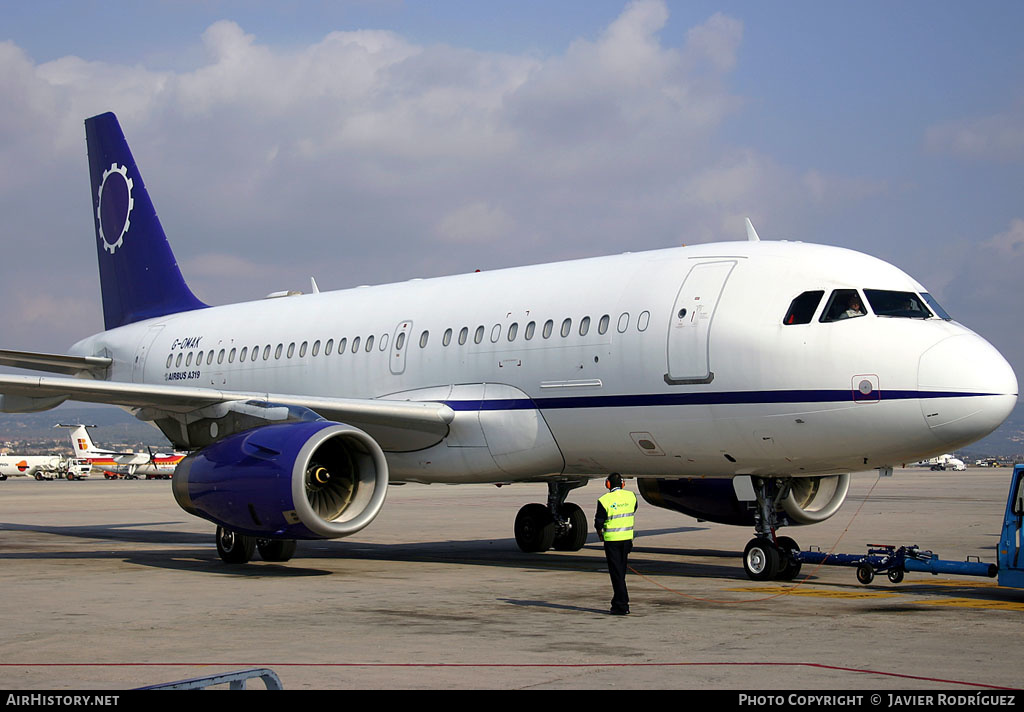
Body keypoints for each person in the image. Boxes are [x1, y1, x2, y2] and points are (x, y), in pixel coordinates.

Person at [594, 473, 637, 615]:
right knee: (621, 572)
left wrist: (600, 534)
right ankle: (618, 602)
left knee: (616, 574)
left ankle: (621, 605)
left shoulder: (604, 500)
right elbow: (633, 509)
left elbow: (598, 522)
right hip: (626, 540)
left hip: (612, 541)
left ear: (608, 484)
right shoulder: (631, 496)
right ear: (623, 484)